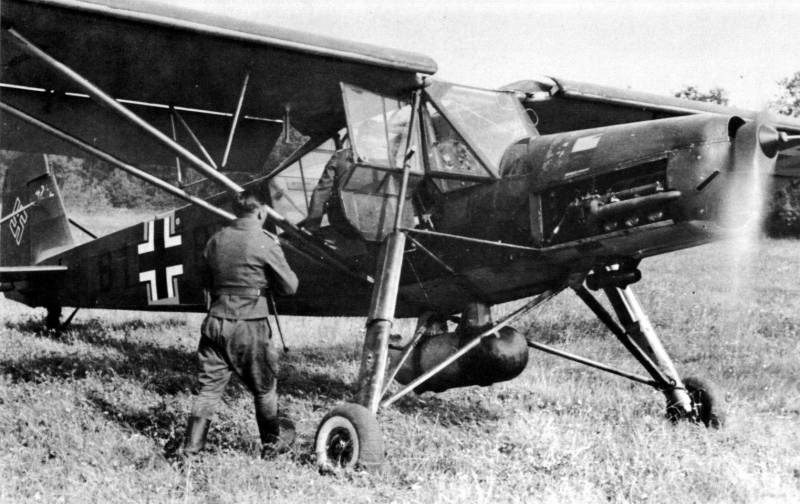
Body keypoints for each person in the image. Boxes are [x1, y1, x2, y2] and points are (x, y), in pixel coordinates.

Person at [178, 189, 299, 459]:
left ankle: (190, 451)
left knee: (208, 390)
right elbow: (290, 287)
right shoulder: (265, 241)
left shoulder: (216, 240)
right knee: (265, 388)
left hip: (215, 322)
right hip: (249, 326)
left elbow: (203, 281)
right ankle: (271, 447)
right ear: (261, 212)